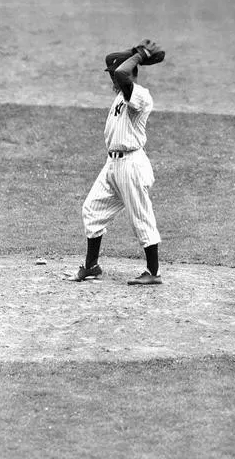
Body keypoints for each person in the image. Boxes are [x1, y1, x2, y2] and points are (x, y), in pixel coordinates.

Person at [71, 39, 165, 285]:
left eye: (114, 75)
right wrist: (135, 52)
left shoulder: (140, 96)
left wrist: (140, 56)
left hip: (131, 165)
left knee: (140, 217)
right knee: (91, 210)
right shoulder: (120, 97)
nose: (112, 78)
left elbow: (123, 73)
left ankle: (153, 272)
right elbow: (117, 66)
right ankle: (91, 265)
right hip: (112, 165)